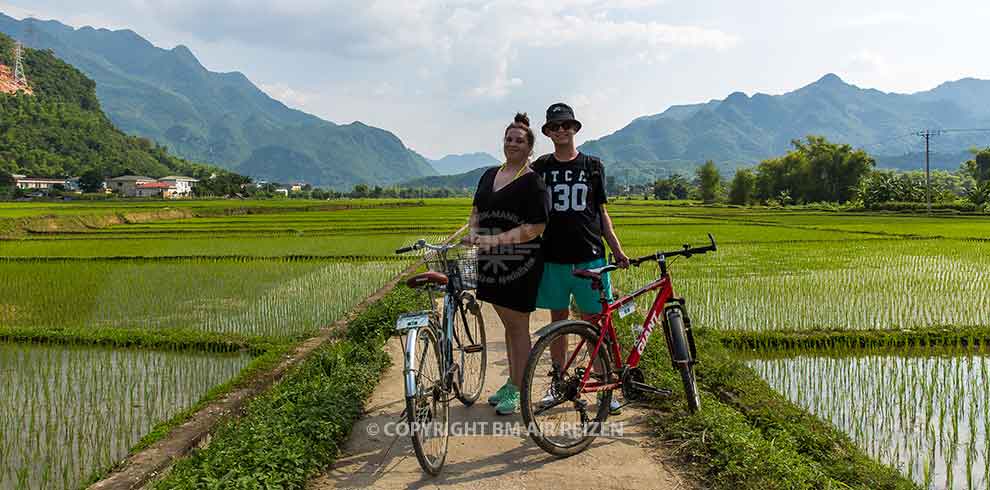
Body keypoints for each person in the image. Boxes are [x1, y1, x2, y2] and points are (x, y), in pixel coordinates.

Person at [532, 102, 629, 414]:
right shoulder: (541, 168)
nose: (561, 130)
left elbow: (601, 213)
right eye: (555, 126)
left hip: (590, 258)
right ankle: (558, 384)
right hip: (553, 258)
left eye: (566, 125)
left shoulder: (593, 166)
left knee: (595, 325)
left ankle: (605, 386)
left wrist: (616, 248)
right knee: (557, 324)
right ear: (547, 132)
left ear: (574, 128)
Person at [466, 113, 550, 416]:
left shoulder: (533, 182)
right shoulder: (489, 174)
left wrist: (495, 240)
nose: (512, 144)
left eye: (519, 140)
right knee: (507, 325)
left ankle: (519, 389)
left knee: (518, 327)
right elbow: (476, 209)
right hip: (490, 261)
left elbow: (535, 227)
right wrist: (475, 233)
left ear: (529, 148)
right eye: (509, 139)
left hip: (520, 263)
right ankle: (511, 382)